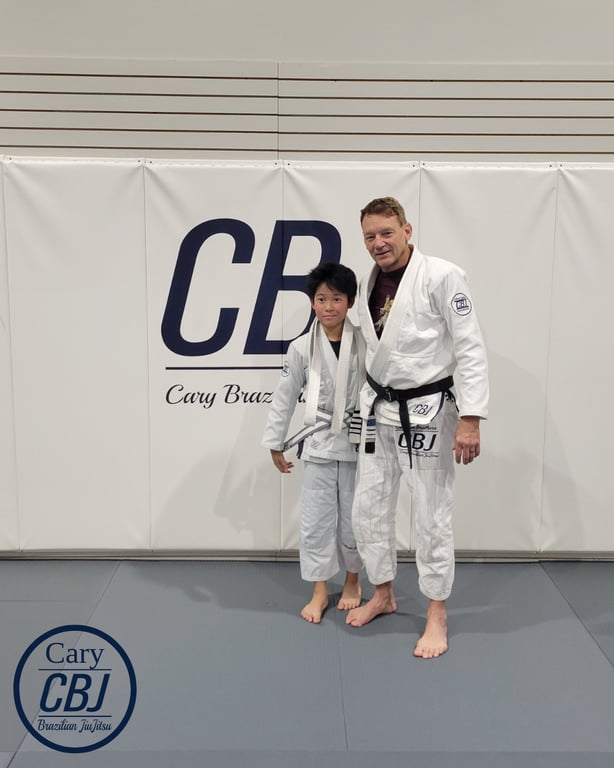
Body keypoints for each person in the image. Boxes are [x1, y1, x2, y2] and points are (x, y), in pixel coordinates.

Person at [346, 196, 489, 658]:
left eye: (386, 233)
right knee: (367, 510)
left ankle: (436, 612)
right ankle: (383, 594)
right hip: (378, 410)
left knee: (431, 515)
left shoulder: (442, 276)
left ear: (407, 230)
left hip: (426, 411)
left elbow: (470, 346)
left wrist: (470, 418)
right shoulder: (367, 281)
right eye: (370, 236)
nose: (378, 243)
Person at [262, 261, 365, 624]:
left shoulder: (366, 343)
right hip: (319, 442)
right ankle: (320, 589)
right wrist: (276, 442)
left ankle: (353, 580)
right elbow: (285, 396)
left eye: (336, 298)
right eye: (321, 299)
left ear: (350, 301)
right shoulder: (300, 347)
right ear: (311, 302)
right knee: (316, 520)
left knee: (356, 519)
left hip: (357, 442)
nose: (329, 306)